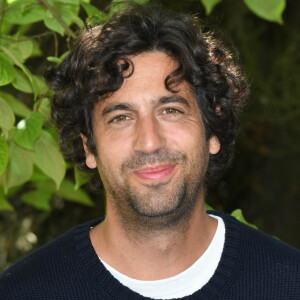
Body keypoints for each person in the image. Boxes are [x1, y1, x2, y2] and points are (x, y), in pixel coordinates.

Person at [1, 3, 300, 300]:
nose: (149, 141)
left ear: (213, 131)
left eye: (170, 110)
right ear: (89, 147)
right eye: (121, 118)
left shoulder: (289, 283)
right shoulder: (22, 292)